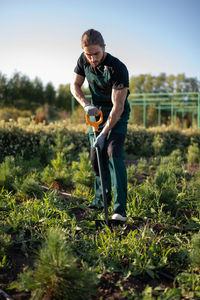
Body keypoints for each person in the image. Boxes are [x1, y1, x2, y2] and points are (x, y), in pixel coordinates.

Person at [70, 29, 130, 221]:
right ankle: (99, 200)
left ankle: (119, 210)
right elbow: (75, 86)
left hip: (116, 115)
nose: (93, 59)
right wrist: (86, 105)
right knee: (96, 157)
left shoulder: (117, 68)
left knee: (113, 152)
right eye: (88, 54)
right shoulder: (83, 60)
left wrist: (104, 133)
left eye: (96, 53)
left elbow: (118, 106)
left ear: (104, 48)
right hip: (96, 114)